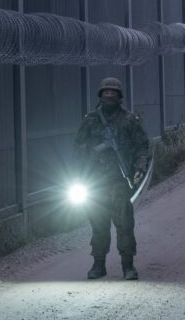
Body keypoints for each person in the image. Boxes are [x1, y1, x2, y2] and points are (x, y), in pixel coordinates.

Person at [74, 77, 151, 280]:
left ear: (119, 96)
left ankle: (128, 265)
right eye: (106, 92)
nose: (109, 95)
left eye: (113, 93)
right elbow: (78, 148)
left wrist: (140, 168)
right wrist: (79, 172)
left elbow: (142, 147)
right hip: (95, 180)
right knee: (98, 223)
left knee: (124, 222)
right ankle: (98, 264)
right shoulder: (90, 120)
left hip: (120, 180)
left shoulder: (129, 120)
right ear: (100, 95)